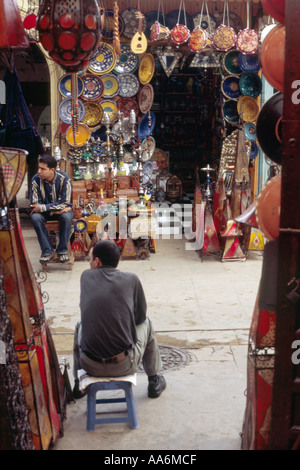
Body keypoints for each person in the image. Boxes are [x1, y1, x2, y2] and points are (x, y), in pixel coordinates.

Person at [73, 240, 166, 399]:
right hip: (124, 365)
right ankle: (154, 379)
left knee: (79, 325)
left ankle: (77, 384)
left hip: (89, 365)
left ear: (97, 262)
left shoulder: (85, 276)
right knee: (147, 323)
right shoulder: (131, 279)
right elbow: (140, 316)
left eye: (90, 259)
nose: (88, 262)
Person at [30, 154, 73, 264]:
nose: (39, 171)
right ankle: (47, 251)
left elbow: (65, 202)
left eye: (42, 169)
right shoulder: (35, 180)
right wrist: (56, 209)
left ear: (52, 170)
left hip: (57, 211)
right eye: (39, 168)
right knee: (35, 218)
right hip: (46, 213)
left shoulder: (64, 179)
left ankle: (62, 251)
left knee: (67, 217)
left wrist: (44, 207)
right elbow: (35, 204)